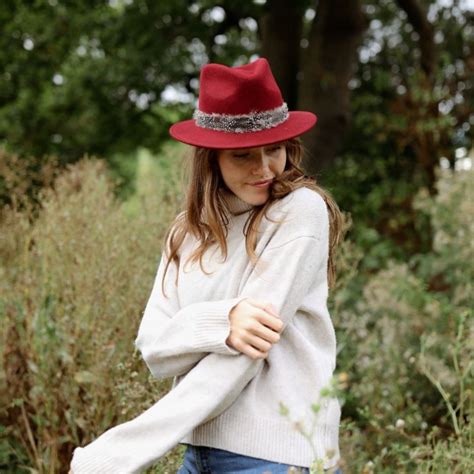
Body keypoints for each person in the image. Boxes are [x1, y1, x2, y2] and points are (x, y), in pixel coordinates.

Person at [69, 57, 344, 473]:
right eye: (243, 156)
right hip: (198, 452)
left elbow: (241, 359)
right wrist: (220, 322)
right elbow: (155, 350)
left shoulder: (299, 212)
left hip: (276, 456)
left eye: (274, 149)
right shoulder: (186, 233)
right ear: (211, 158)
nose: (265, 168)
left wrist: (117, 454)